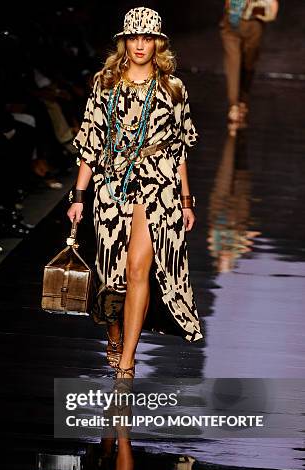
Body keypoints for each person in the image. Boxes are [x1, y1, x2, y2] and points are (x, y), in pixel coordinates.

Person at [67, 7, 203, 380]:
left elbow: (179, 149)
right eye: (134, 37)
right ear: (124, 41)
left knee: (139, 269)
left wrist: (187, 200)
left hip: (159, 185)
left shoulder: (173, 88)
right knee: (112, 276)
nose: (141, 45)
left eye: (148, 38)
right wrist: (78, 196)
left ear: (158, 42)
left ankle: (127, 360)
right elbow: (90, 141)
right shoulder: (105, 83)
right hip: (112, 184)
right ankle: (114, 337)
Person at [220, 0, 279, 128]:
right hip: (231, 24)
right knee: (233, 63)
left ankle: (243, 99)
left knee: (248, 64)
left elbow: (273, 10)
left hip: (254, 25)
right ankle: (234, 106)